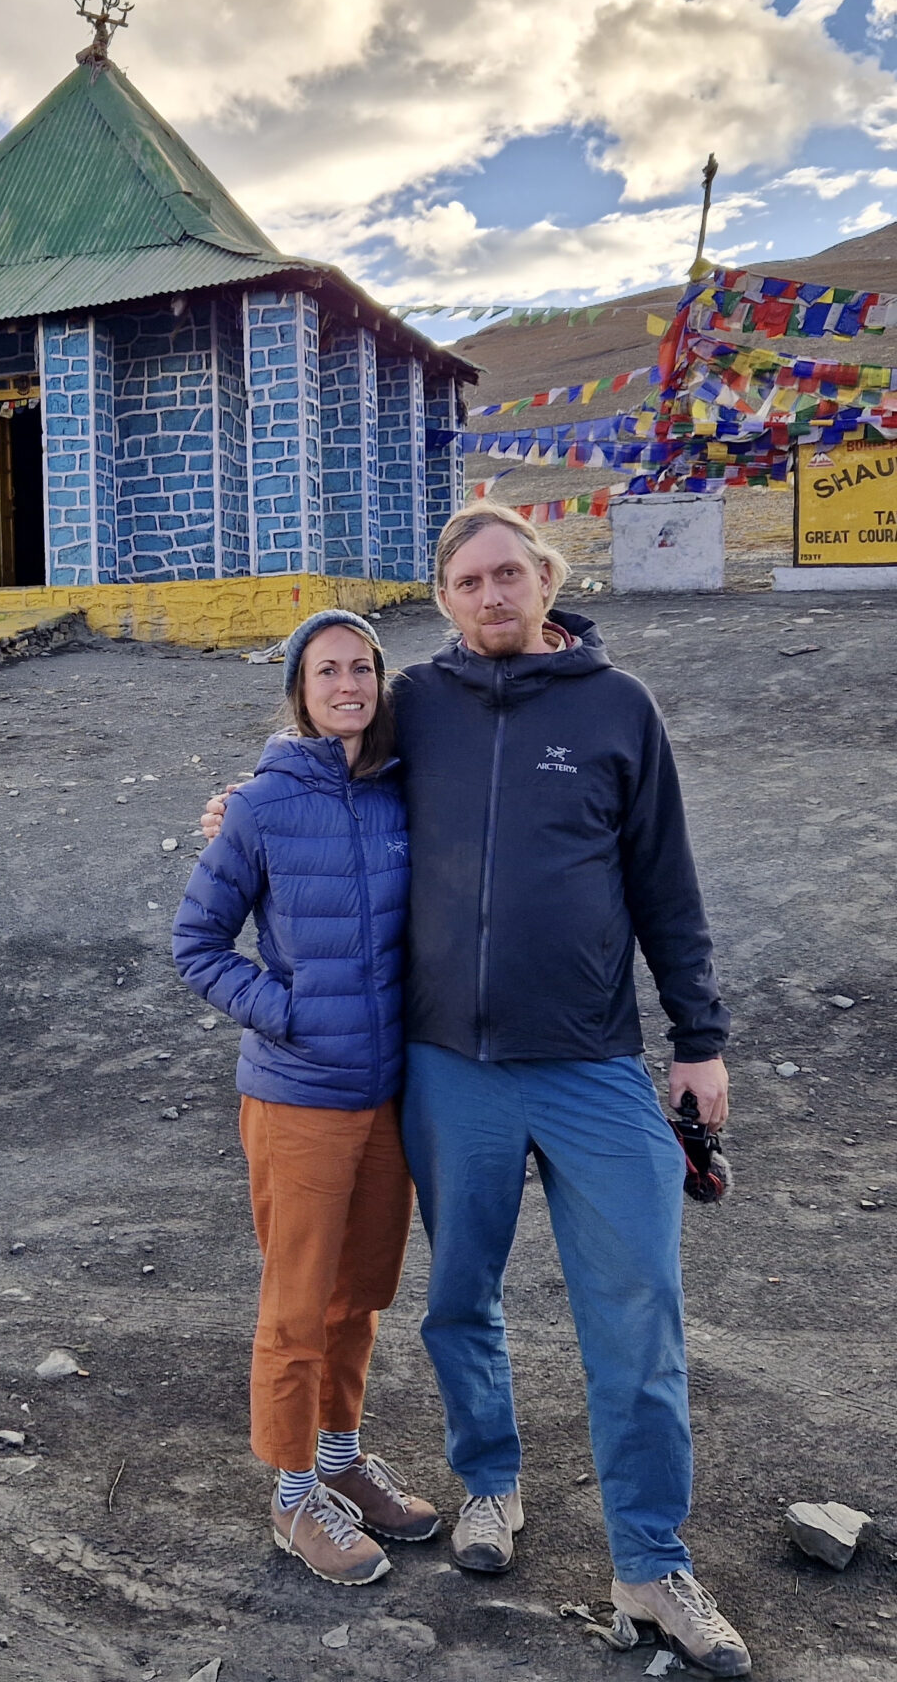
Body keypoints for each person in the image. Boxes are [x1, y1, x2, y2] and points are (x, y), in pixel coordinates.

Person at [200, 505, 750, 1676]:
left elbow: (666, 879)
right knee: (457, 1302)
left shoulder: (618, 707)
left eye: (509, 574)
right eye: (467, 581)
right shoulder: (424, 706)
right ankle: (487, 1489)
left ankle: (651, 1563)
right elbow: (319, 763)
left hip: (594, 1064)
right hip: (449, 1070)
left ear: (546, 580)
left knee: (639, 1315)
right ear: (442, 598)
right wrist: (231, 812)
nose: (490, 595)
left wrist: (696, 1041)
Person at [171, 609, 442, 1587]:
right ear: (299, 688)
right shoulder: (260, 804)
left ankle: (338, 1460)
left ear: (379, 680)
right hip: (297, 1097)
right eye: (325, 670)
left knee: (359, 1295)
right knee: (295, 1306)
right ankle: (292, 1500)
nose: (345, 684)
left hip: (387, 1098)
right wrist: (284, 1012)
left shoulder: (404, 789)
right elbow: (196, 943)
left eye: (360, 667)